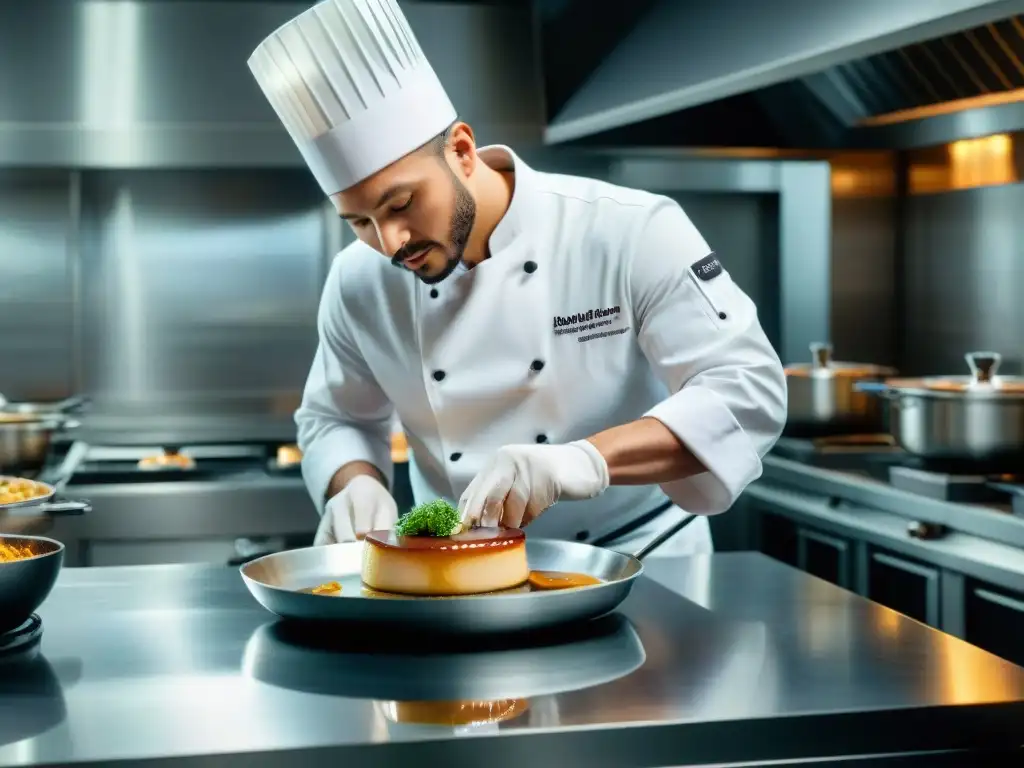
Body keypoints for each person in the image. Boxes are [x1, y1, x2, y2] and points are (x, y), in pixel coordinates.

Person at [248, 0, 787, 557]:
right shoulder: (358, 281)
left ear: (460, 150)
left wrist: (586, 460)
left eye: (402, 204)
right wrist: (354, 482)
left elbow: (745, 392)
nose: (390, 242)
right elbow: (336, 417)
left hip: (641, 561)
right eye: (360, 221)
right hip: (458, 573)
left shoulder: (628, 229)